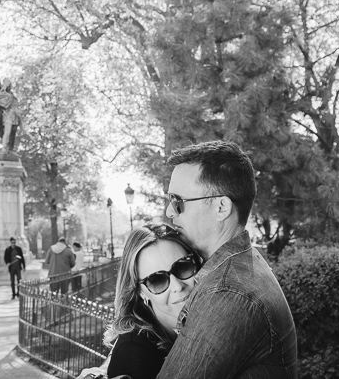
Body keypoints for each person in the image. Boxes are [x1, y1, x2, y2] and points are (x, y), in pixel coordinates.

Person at [156, 140, 297, 378]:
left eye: (178, 202)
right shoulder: (240, 267)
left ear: (221, 207)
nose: (169, 212)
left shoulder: (227, 293)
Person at [85, 224, 205, 379]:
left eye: (183, 266)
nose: (177, 286)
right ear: (140, 292)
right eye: (157, 280)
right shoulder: (134, 355)